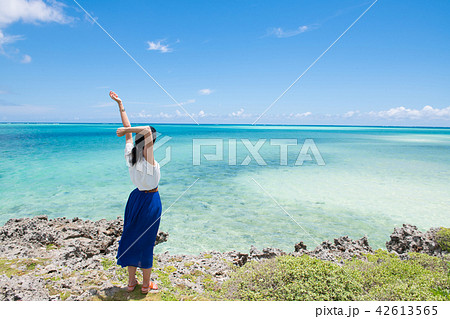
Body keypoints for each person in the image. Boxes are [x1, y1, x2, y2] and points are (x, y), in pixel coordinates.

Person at [110, 91, 161, 294]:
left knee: (131, 238)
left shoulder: (130, 155)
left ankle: (131, 283)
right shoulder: (149, 162)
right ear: (151, 143)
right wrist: (126, 128)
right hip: (150, 201)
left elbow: (132, 135)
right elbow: (147, 130)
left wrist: (121, 105)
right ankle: (146, 285)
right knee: (147, 241)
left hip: (135, 199)